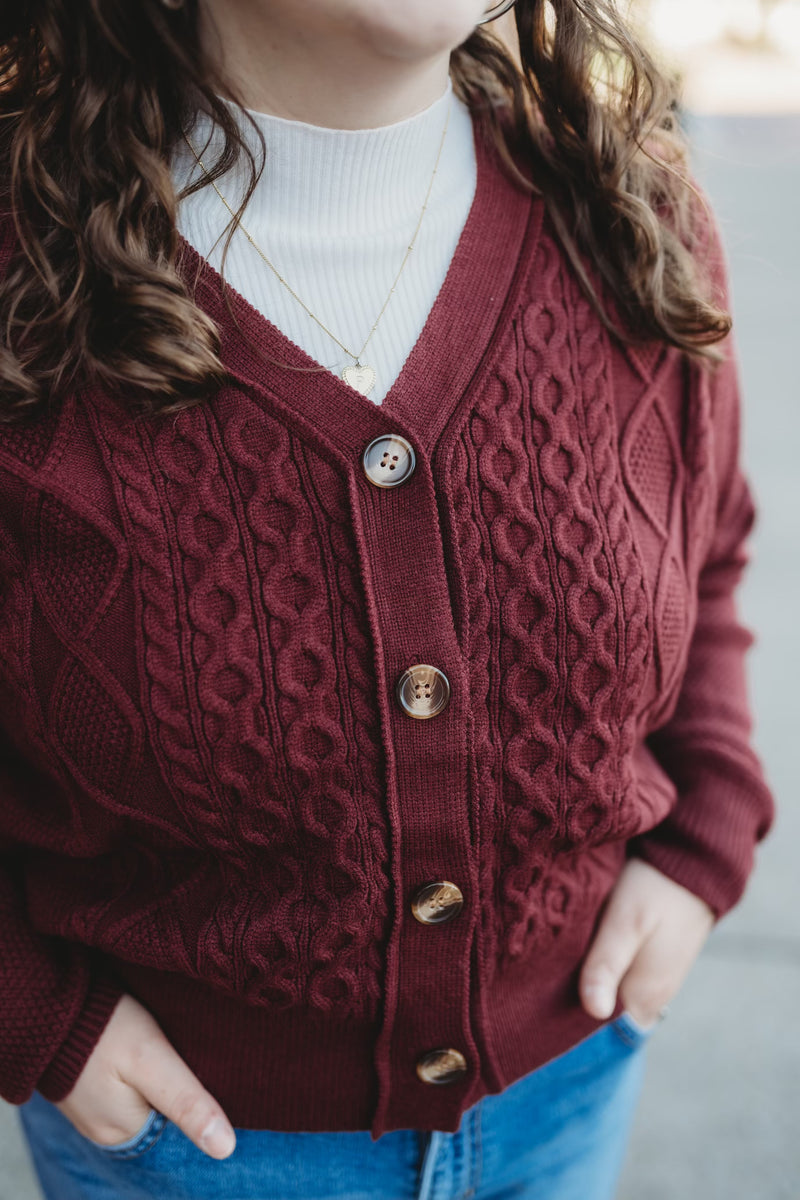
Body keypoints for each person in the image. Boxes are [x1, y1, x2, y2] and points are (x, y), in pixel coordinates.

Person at [0, 1, 776, 1198]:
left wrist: (704, 828)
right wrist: (32, 1013)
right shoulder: (26, 278)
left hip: (566, 1089)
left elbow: (707, 547)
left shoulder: (628, 212)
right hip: (185, 1145)